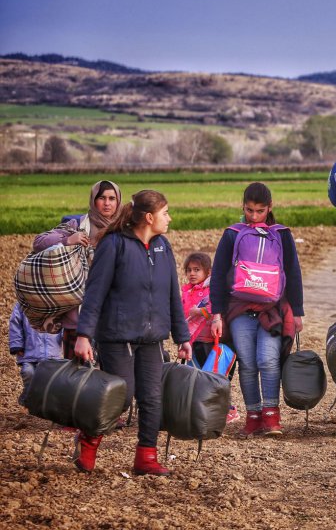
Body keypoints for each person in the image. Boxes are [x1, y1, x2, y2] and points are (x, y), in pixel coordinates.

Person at [74, 190, 192, 476]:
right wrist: (83, 335)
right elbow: (95, 293)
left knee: (152, 399)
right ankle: (87, 442)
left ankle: (146, 458)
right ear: (149, 217)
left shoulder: (163, 247)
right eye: (165, 213)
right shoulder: (114, 245)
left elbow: (173, 296)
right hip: (116, 336)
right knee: (121, 396)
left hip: (152, 338)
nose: (169, 218)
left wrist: (182, 337)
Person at [210, 182, 304, 438]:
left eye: (260, 211)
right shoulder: (232, 234)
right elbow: (218, 274)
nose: (253, 216)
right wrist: (216, 314)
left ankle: (271, 416)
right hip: (239, 311)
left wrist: (297, 312)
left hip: (273, 310)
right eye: (249, 210)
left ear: (269, 208)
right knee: (248, 364)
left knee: (268, 360)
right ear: (243, 207)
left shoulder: (282, 235)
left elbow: (293, 273)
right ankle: (253, 417)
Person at [33, 180, 121, 358]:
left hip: (115, 320)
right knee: (78, 380)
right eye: (101, 198)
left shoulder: (124, 229)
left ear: (118, 202)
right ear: (93, 200)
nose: (107, 203)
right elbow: (39, 242)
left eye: (112, 198)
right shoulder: (78, 224)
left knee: (113, 381)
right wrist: (68, 240)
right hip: (78, 321)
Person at [181, 251, 239, 423]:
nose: (192, 273)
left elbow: (217, 306)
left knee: (214, 378)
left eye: (197, 270)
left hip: (212, 342)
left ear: (208, 272)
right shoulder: (186, 292)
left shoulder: (213, 289)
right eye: (189, 270)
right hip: (194, 342)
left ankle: (228, 409)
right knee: (196, 379)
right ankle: (201, 412)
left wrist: (201, 311)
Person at [8, 301, 63, 407]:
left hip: (51, 353)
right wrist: (17, 344)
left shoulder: (58, 303)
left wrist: (65, 340)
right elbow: (15, 323)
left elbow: (66, 325)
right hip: (29, 351)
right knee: (28, 372)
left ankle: (40, 402)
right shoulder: (24, 303)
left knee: (47, 379)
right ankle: (29, 397)